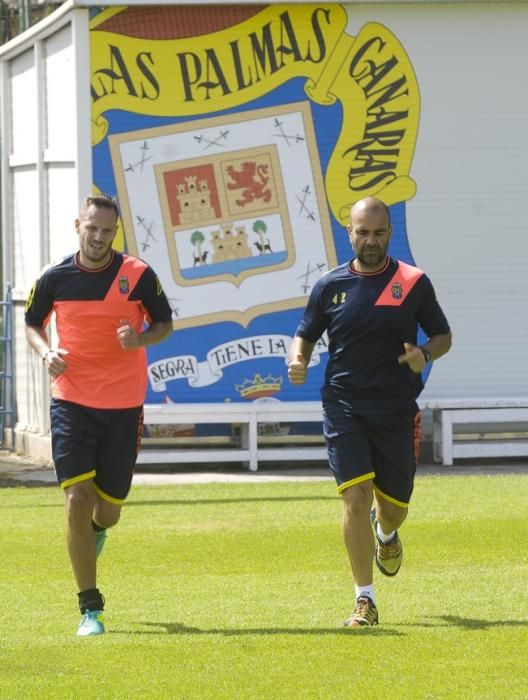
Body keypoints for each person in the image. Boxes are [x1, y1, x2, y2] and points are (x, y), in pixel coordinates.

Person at [288, 197, 451, 628]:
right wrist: (298, 360)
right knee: (354, 497)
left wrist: (424, 353)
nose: (371, 241)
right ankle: (365, 600)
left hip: (397, 410)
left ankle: (387, 531)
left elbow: (443, 335)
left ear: (389, 233)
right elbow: (304, 334)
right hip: (344, 406)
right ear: (350, 232)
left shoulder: (412, 282)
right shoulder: (329, 286)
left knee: (392, 507)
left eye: (379, 233)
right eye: (363, 232)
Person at [25, 194, 173, 637]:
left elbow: (165, 323)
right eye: (92, 228)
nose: (98, 237)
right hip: (70, 400)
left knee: (107, 511)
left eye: (107, 231)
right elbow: (32, 322)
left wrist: (140, 339)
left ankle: (96, 531)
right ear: (78, 225)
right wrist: (47, 351)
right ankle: (90, 608)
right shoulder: (55, 278)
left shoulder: (138, 275)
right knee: (76, 498)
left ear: (116, 232)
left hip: (124, 406)